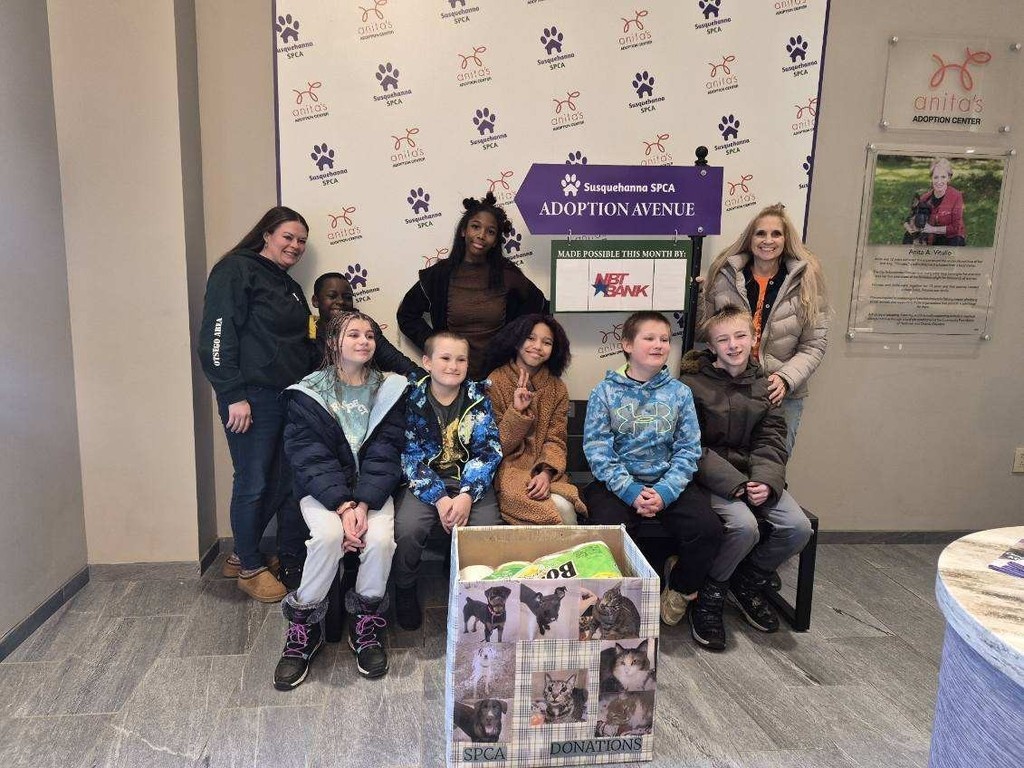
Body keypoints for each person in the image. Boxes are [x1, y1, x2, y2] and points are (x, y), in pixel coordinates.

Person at [274, 311, 408, 687]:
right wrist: (343, 506)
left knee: (380, 540)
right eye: (354, 334)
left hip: (372, 491)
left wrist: (363, 504)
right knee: (329, 537)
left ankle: (365, 624)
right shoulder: (307, 393)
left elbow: (388, 452)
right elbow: (308, 457)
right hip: (323, 490)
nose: (364, 341)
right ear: (334, 342)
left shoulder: (390, 389)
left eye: (370, 335)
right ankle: (303, 631)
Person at [198, 206, 316, 602]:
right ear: (266, 234)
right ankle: (249, 568)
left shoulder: (290, 286)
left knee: (284, 480)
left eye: (301, 241)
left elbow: (300, 344)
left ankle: (240, 554)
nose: (295, 246)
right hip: (252, 398)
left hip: (289, 398)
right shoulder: (235, 270)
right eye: (288, 237)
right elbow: (217, 336)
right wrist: (233, 394)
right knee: (252, 481)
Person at [680, 305, 813, 651]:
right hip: (712, 480)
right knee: (744, 526)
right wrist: (735, 484)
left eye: (740, 336)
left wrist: (766, 482)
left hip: (757, 475)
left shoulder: (766, 386)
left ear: (753, 339)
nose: (733, 345)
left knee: (798, 527)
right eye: (723, 339)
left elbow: (771, 440)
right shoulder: (691, 386)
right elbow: (691, 446)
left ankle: (747, 580)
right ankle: (710, 595)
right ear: (711, 347)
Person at [582, 311, 724, 632]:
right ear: (627, 345)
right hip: (619, 484)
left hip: (668, 483)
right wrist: (632, 492)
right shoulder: (604, 392)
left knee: (709, 529)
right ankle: (621, 605)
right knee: (607, 530)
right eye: (650, 338)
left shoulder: (680, 394)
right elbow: (598, 451)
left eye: (665, 339)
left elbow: (688, 450)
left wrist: (664, 491)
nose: (659, 345)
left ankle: (680, 588)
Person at [393, 331, 503, 630]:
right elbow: (409, 456)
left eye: (461, 359)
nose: (453, 366)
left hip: (470, 482)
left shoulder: (478, 399)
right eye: (445, 358)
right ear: (427, 362)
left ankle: (475, 594)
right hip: (425, 483)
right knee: (408, 527)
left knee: (485, 530)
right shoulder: (410, 399)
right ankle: (404, 588)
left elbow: (488, 451)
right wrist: (440, 499)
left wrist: (467, 495)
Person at [700, 203, 830, 454]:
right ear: (750, 238)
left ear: (786, 239)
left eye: (776, 234)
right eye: (761, 233)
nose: (768, 240)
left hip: (780, 395)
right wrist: (698, 293)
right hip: (730, 389)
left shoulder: (807, 281)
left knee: (770, 468)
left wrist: (785, 378)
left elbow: (814, 344)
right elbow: (703, 331)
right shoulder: (724, 276)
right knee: (724, 466)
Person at [396, 192, 548, 379]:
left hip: (498, 378)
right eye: (475, 227)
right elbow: (406, 315)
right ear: (463, 231)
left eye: (490, 232)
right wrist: (434, 344)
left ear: (495, 242)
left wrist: (516, 346)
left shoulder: (508, 275)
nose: (481, 235)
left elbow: (540, 307)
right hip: (451, 377)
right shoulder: (439, 275)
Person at [484, 314, 586, 525]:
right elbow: (495, 446)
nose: (538, 346)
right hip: (508, 470)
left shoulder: (557, 388)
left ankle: (567, 557)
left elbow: (556, 439)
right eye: (530, 338)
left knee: (565, 507)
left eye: (546, 342)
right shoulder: (495, 381)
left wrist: (546, 474)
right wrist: (517, 412)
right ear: (516, 341)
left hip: (545, 469)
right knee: (545, 509)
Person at [312, 272, 418, 375]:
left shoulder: (365, 326)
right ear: (315, 301)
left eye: (347, 297)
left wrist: (425, 382)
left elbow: (395, 361)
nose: (341, 301)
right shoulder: (307, 332)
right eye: (332, 296)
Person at [901, 157, 966, 246]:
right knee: (908, 236)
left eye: (943, 177)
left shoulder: (956, 196)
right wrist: (909, 226)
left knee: (955, 241)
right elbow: (910, 217)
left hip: (952, 237)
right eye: (936, 177)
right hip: (932, 237)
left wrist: (932, 229)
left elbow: (956, 228)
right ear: (931, 178)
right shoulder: (925, 198)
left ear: (949, 178)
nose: (939, 181)